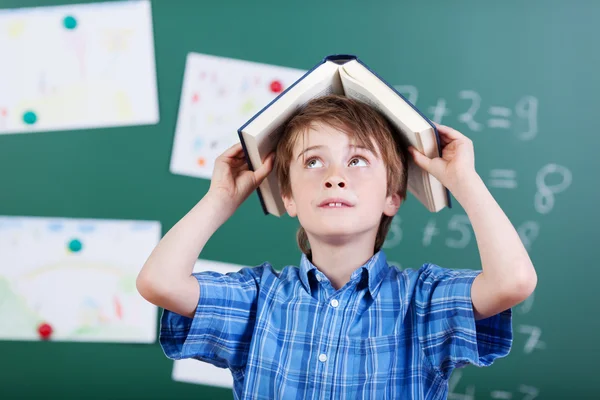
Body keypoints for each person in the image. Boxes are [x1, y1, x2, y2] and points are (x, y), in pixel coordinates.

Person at [137, 94, 537, 399]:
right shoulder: (258, 299)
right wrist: (220, 199)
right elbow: (160, 282)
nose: (334, 177)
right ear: (288, 197)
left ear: (392, 196)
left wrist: (463, 180)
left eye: (358, 160)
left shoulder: (423, 302)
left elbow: (512, 281)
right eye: (313, 162)